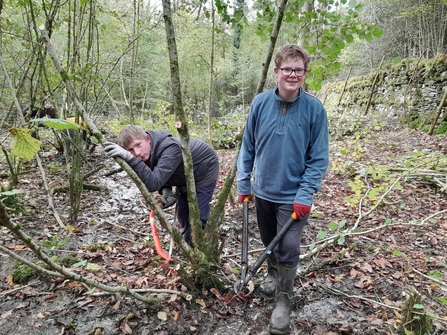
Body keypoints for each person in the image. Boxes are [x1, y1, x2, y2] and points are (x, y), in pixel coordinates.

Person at [237, 44, 329, 334]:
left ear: (304, 73)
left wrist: (305, 193)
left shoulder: (315, 109)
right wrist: (243, 180)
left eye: (298, 70)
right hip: (263, 190)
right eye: (287, 69)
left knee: (287, 246)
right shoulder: (260, 103)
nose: (293, 74)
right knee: (269, 241)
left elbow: (319, 158)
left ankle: (284, 302)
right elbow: (248, 145)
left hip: (293, 196)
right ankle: (273, 277)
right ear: (276, 72)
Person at [104, 125, 219, 247]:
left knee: (198, 215)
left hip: (205, 168)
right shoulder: (147, 153)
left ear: (148, 139)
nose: (137, 153)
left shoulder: (170, 148)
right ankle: (188, 244)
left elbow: (153, 183)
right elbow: (154, 173)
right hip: (181, 172)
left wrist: (130, 157)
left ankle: (201, 248)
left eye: (138, 145)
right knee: (183, 213)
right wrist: (166, 190)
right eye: (130, 150)